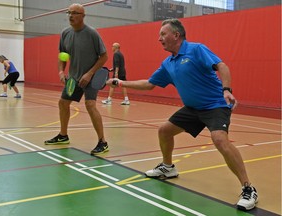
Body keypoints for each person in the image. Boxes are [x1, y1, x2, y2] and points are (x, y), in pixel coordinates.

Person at [107, 18, 258, 211]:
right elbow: (149, 84)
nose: (159, 39)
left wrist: (226, 89)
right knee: (164, 131)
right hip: (193, 108)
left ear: (176, 35)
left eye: (163, 34)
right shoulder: (168, 63)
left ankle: (248, 188)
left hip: (215, 105)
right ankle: (168, 167)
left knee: (219, 139)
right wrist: (120, 83)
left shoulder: (196, 50)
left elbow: (222, 66)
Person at [44, 3, 109, 155]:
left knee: (90, 104)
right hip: (74, 77)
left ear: (82, 16)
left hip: (91, 77)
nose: (71, 16)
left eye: (75, 13)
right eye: (69, 13)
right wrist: (61, 71)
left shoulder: (92, 33)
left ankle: (102, 142)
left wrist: (90, 73)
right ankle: (63, 135)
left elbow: (104, 56)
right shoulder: (65, 33)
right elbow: (63, 55)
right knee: (63, 103)